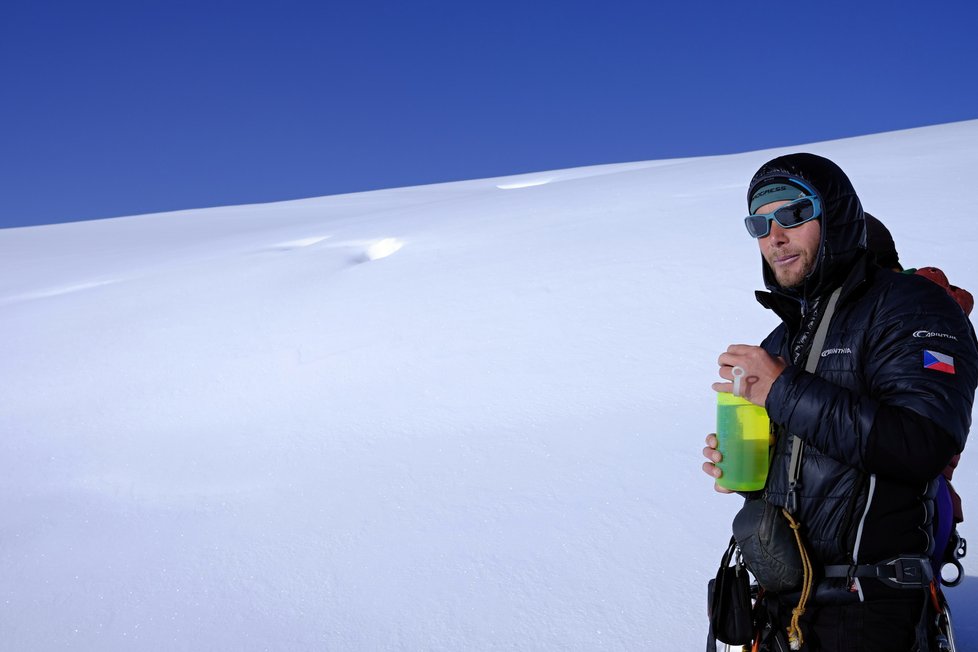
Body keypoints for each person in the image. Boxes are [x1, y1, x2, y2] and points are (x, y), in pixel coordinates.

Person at [701, 153, 978, 651]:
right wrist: (750, 467)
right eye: (759, 224)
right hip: (781, 607)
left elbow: (923, 442)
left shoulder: (912, 305)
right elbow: (820, 473)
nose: (775, 236)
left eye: (792, 216)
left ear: (836, 216)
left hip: (868, 610)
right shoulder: (784, 338)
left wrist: (783, 390)